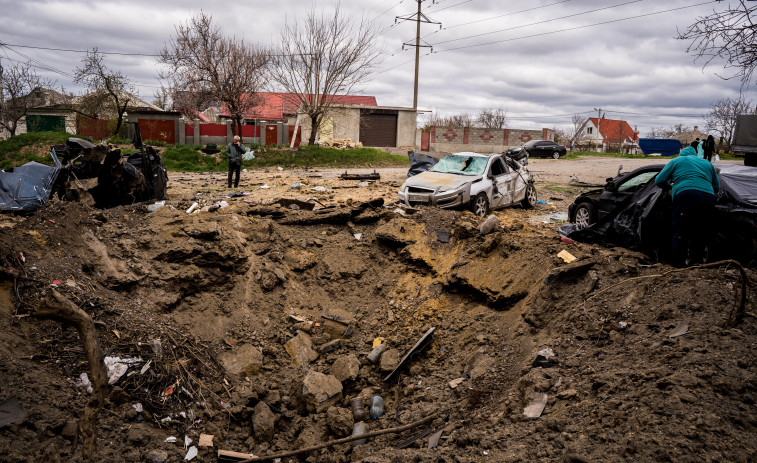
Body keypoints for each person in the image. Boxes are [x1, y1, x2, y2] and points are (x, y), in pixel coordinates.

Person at [655, 144, 720, 267]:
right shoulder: (707, 163)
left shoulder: (677, 161)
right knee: (700, 231)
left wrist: (672, 187)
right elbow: (717, 187)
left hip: (686, 196)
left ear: (681, 154)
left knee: (680, 230)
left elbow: (659, 180)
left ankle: (678, 265)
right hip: (708, 199)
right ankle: (697, 264)